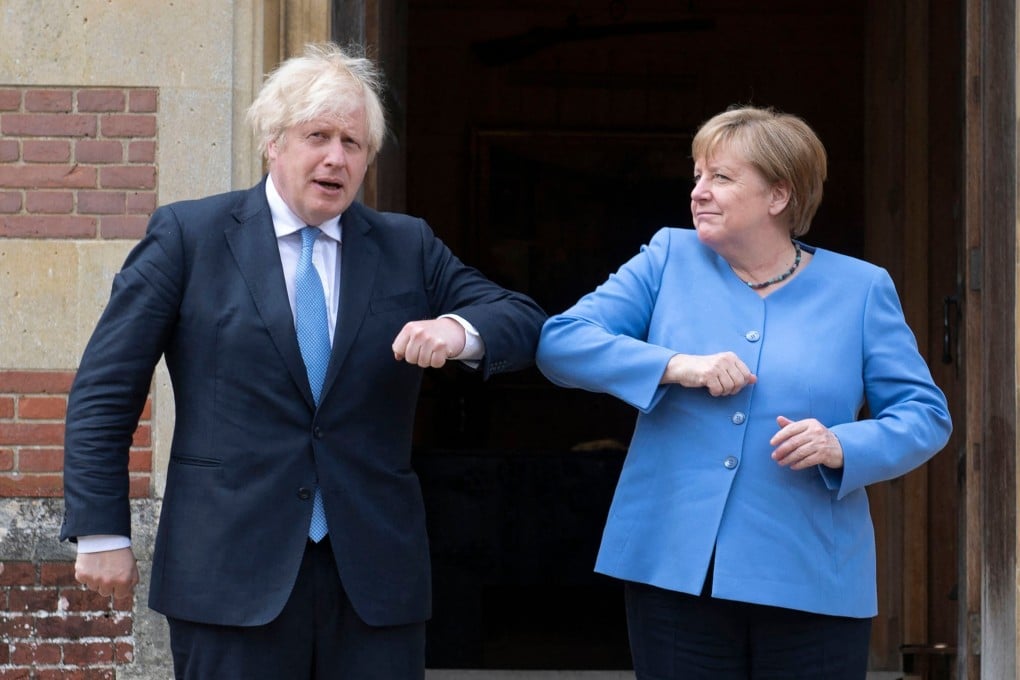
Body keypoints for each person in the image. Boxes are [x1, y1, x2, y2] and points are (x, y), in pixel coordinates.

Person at [60, 42, 546, 679]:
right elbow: (106, 387)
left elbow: (522, 319)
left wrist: (459, 329)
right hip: (229, 574)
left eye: (353, 142)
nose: (336, 158)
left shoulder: (407, 246)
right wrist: (102, 530)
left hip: (373, 580)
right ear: (273, 140)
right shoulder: (190, 237)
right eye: (318, 135)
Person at [535, 105, 952, 679]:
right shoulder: (668, 258)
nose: (699, 192)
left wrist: (842, 445)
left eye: (721, 178)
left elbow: (924, 415)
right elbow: (561, 343)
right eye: (697, 176)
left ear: (778, 196)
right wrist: (675, 365)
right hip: (676, 570)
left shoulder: (860, 288)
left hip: (812, 574)